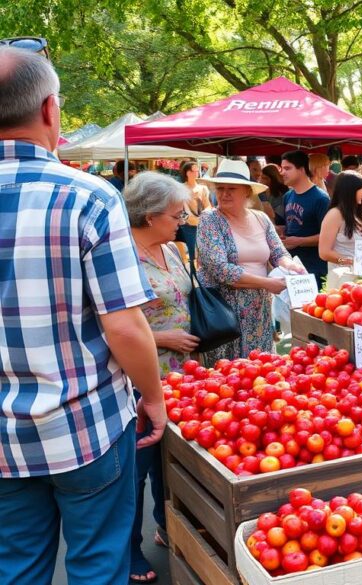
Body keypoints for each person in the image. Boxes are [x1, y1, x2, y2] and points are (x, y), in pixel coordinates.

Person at [0, 46, 165, 585]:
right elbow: (123, 324)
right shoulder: (89, 197)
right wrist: (155, 397)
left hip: (4, 437)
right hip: (85, 425)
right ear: (51, 109)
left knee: (17, 567)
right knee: (98, 565)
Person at [124, 172, 199, 584]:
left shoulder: (170, 250)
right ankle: (129, 549)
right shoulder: (120, 256)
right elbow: (107, 327)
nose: (183, 219)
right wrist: (163, 336)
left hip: (182, 376)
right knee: (136, 467)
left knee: (170, 464)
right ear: (151, 216)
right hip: (138, 378)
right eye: (176, 214)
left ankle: (166, 524)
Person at [196, 159, 302, 364]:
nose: (224, 193)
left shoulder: (261, 218)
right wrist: (267, 283)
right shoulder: (210, 220)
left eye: (231, 189)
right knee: (230, 375)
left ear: (246, 191)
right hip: (224, 314)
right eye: (220, 188)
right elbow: (221, 270)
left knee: (260, 372)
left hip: (259, 310)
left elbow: (278, 252)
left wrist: (290, 266)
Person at [280, 151, 330, 286]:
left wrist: (300, 241)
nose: (282, 172)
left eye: (287, 168)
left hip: (315, 270)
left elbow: (328, 237)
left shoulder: (321, 199)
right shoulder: (287, 196)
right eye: (281, 168)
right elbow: (290, 226)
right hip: (292, 268)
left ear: (301, 169)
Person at [320, 171, 362, 288]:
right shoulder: (334, 215)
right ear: (350, 191)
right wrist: (350, 261)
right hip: (342, 281)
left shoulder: (359, 214)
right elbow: (324, 252)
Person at [178, 160, 212, 264]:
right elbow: (177, 210)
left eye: (198, 170)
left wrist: (202, 217)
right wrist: (188, 219)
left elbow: (209, 206)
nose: (197, 172)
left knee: (203, 254)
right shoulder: (180, 189)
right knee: (191, 255)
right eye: (195, 170)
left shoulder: (203, 188)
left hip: (202, 225)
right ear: (188, 173)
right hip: (187, 227)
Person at [260, 163, 288, 229]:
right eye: (261, 177)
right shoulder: (261, 191)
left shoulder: (281, 192)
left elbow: (280, 217)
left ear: (271, 179)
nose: (261, 180)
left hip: (279, 222)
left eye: (264, 178)